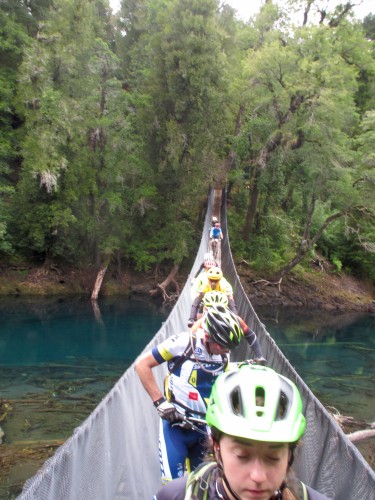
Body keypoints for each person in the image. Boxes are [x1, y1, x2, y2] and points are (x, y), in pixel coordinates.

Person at [153, 364, 332, 500]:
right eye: (242, 455)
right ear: (216, 448)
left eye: (273, 457)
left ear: (289, 456)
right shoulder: (177, 495)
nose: (258, 476)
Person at [135, 307, 244, 483]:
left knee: (204, 486)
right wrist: (160, 402)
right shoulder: (182, 344)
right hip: (175, 425)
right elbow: (142, 366)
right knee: (171, 485)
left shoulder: (224, 355)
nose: (226, 351)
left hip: (204, 429)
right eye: (223, 345)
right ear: (208, 337)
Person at [191, 291, 266, 363]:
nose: (216, 312)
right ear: (205, 309)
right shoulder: (199, 324)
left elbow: (250, 335)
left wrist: (259, 356)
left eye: (220, 308)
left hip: (221, 359)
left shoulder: (235, 321)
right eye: (211, 308)